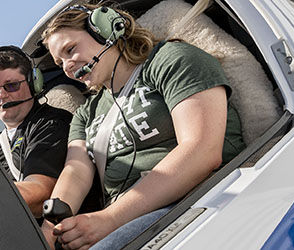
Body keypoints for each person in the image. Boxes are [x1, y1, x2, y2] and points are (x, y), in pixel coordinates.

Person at [39, 4, 245, 249]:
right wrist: (49, 231)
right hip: (126, 216)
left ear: (105, 30)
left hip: (196, 194)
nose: (67, 66)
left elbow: (202, 151)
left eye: (70, 49)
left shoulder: (171, 60)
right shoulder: (87, 112)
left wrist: (109, 219)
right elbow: (75, 172)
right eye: (59, 61)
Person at [0, 45, 72, 219]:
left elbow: (41, 195)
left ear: (33, 83)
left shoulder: (51, 124)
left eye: (11, 85)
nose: (2, 95)